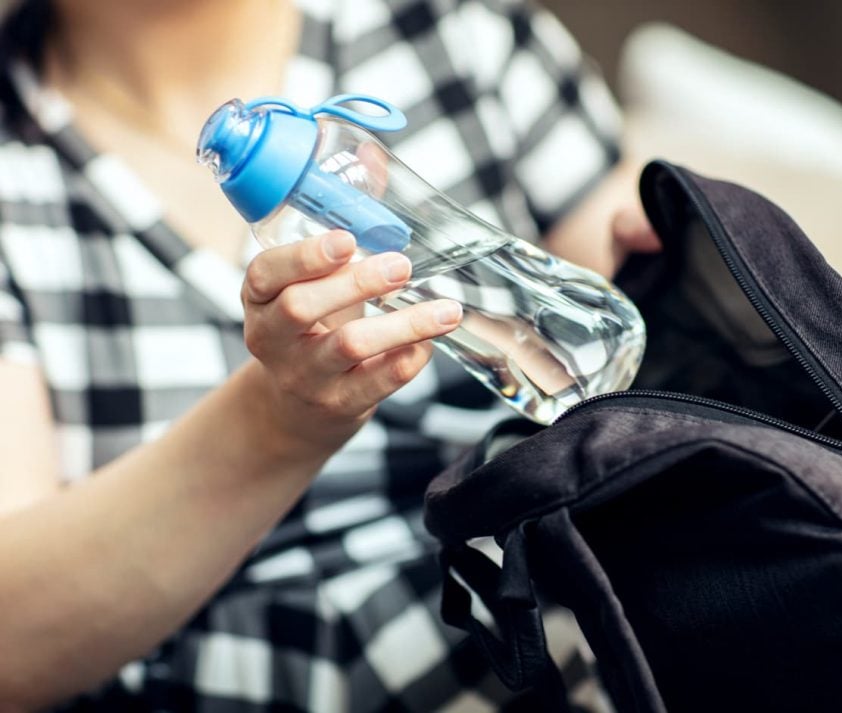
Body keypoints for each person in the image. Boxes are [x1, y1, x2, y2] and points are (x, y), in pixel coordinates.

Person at [0, 0, 659, 709]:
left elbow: (629, 348)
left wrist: (694, 266)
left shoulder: (452, 29)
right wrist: (278, 423)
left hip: (543, 645)